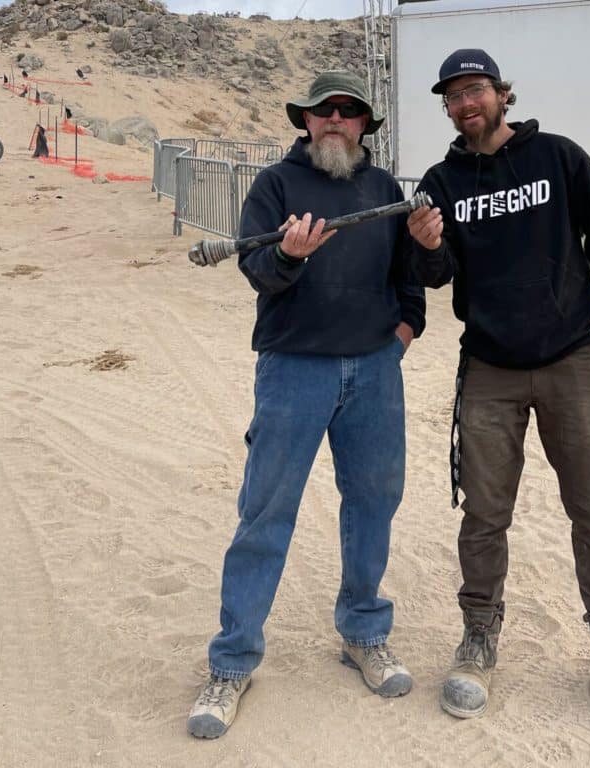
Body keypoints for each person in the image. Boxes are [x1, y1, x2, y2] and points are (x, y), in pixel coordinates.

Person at [405, 49, 590, 726]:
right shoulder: (442, 181)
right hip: (488, 366)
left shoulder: (559, 157)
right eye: (454, 96)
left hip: (570, 358)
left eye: (476, 90)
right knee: (485, 515)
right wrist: (427, 244)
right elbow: (437, 277)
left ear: (502, 95)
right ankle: (479, 639)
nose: (467, 103)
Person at [187, 70, 433, 739]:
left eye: (349, 112)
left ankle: (362, 633)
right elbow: (257, 271)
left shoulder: (384, 190)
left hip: (376, 370)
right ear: (305, 120)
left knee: (374, 501)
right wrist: (290, 260)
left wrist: (405, 331)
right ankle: (233, 661)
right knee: (266, 511)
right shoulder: (275, 186)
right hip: (293, 369)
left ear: (364, 126)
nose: (335, 120)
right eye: (324, 111)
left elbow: (408, 272)